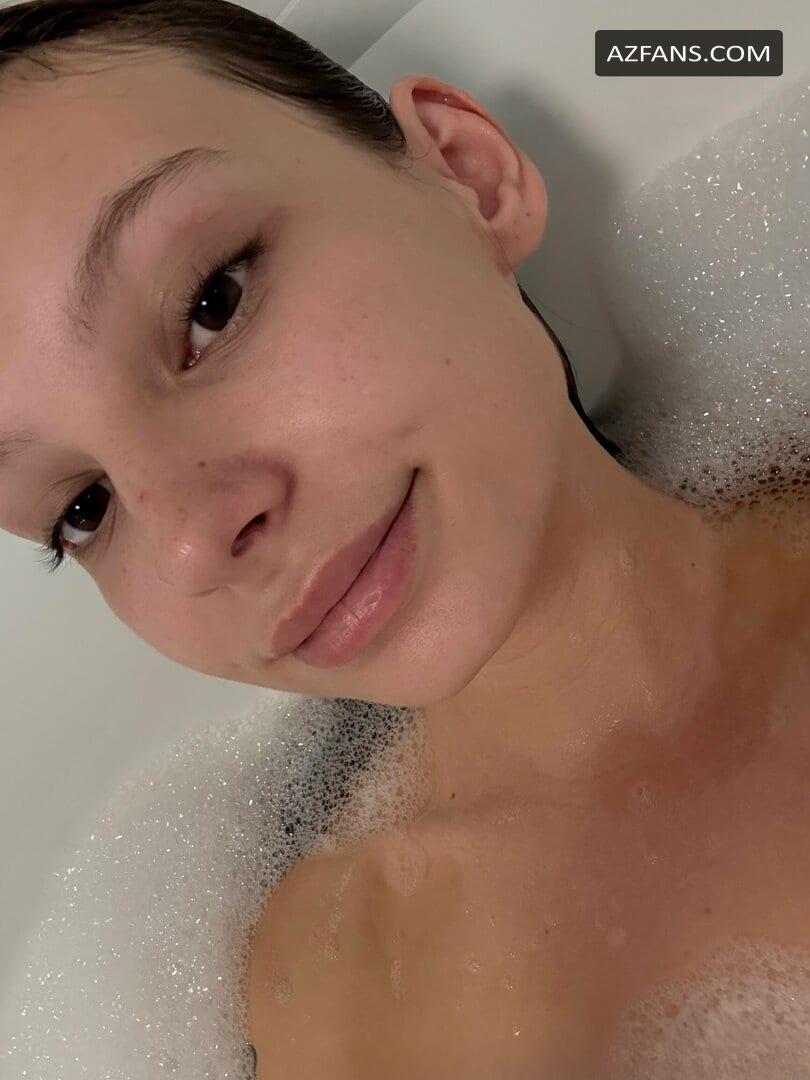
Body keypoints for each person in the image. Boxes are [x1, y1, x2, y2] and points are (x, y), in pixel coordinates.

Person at [0, 2, 806, 1077]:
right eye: (84, 507)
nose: (193, 540)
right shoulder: (329, 1006)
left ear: (470, 176)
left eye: (214, 302)